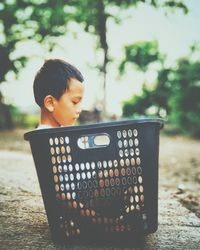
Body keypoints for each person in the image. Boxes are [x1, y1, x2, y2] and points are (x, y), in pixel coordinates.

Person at [33, 59, 84, 129]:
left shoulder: (66, 134)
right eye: (74, 102)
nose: (79, 110)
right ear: (50, 103)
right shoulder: (43, 139)